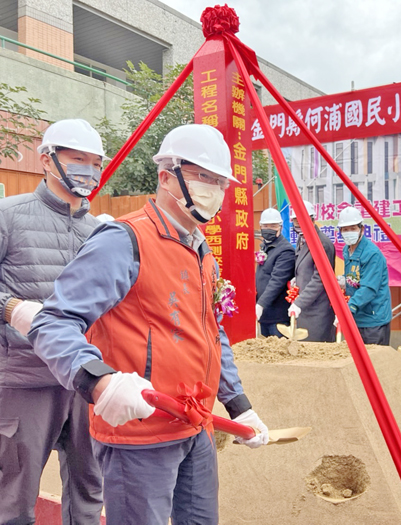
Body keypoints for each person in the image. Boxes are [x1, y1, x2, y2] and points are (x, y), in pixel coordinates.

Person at [29, 124, 269, 525]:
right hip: (140, 435)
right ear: (166, 176)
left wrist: (238, 405)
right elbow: (53, 321)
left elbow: (212, 332)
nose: (213, 190)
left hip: (196, 426)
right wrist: (100, 380)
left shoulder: (200, 251)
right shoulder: (123, 240)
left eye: (220, 182)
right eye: (202, 177)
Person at [0, 119, 105, 524]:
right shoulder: (10, 216)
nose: (88, 171)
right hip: (26, 379)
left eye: (95, 163)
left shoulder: (100, 233)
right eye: (78, 159)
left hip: (86, 378)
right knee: (15, 495)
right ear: (47, 160)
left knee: (89, 489)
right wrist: (13, 308)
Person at [337, 207, 392, 345]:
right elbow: (355, 275)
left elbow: (368, 288)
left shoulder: (372, 254)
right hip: (357, 317)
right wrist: (345, 280)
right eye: (345, 229)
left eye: (353, 228)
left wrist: (347, 310)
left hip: (373, 319)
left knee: (374, 362)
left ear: (362, 229)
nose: (349, 232)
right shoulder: (347, 250)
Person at [288, 200, 336, 342]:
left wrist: (299, 303)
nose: (298, 224)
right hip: (305, 308)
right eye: (295, 220)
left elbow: (320, 278)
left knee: (315, 352)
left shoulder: (322, 243)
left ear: (313, 219)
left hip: (317, 311)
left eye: (302, 220)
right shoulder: (302, 239)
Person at [255, 207, 295, 337]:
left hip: (277, 316)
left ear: (281, 227)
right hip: (265, 315)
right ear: (260, 226)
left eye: (273, 226)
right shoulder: (265, 246)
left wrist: (261, 304)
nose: (269, 229)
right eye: (266, 226)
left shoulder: (285, 251)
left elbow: (277, 281)